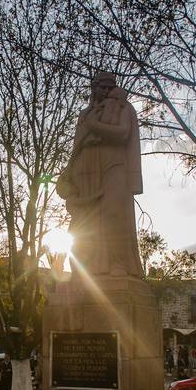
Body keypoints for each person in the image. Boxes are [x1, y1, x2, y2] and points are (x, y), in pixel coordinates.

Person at [57, 71, 143, 279]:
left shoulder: (124, 107)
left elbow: (123, 133)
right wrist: (69, 170)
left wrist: (95, 125)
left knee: (114, 213)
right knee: (86, 220)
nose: (105, 90)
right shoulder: (84, 114)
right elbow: (77, 145)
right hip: (85, 167)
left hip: (114, 163)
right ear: (94, 87)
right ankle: (86, 267)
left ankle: (118, 263)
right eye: (101, 86)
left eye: (109, 86)